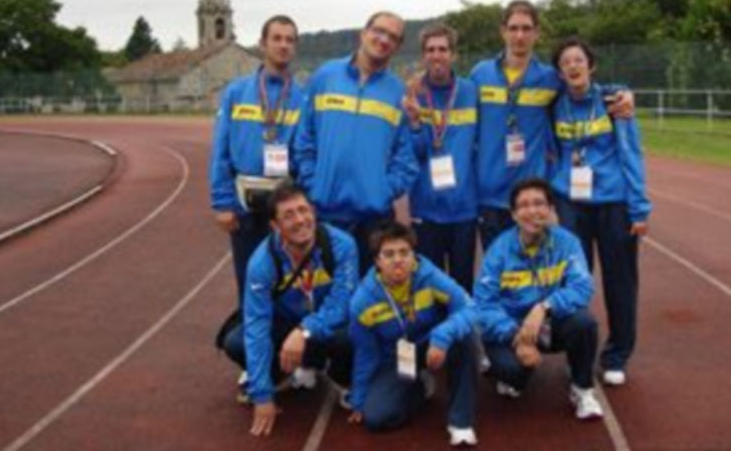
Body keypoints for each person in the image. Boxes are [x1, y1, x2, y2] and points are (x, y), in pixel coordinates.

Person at [471, 0, 634, 249]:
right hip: (490, 194)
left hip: (532, 198)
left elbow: (585, 88)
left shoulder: (549, 77)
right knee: (499, 275)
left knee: (538, 277)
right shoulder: (480, 74)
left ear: (537, 33)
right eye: (513, 28)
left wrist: (622, 91)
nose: (519, 35)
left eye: (526, 28)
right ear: (503, 31)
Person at [549, 37, 651, 386]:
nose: (573, 66)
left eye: (579, 60)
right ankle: (578, 353)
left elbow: (631, 153)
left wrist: (639, 208)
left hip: (613, 204)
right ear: (559, 72)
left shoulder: (613, 101)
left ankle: (617, 355)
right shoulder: (554, 106)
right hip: (571, 204)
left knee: (620, 281)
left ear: (590, 66)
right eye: (566, 62)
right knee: (574, 280)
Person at [223, 180, 359, 437]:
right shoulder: (262, 263)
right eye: (288, 215)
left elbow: (343, 303)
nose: (299, 220)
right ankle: (281, 375)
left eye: (303, 211)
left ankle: (339, 374)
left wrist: (305, 330)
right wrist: (262, 394)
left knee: (354, 330)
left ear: (314, 213)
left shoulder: (341, 245)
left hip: (324, 327)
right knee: (235, 342)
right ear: (275, 226)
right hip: (285, 327)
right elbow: (257, 326)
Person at [293, 11, 419, 273]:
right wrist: (314, 184)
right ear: (364, 33)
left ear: (396, 47)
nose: (384, 40)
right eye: (379, 31)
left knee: (371, 304)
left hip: (374, 220)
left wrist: (381, 191)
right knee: (326, 297)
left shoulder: (398, 92)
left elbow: (405, 160)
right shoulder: (325, 76)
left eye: (393, 37)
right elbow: (304, 138)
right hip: (326, 213)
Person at [474, 178, 603, 420]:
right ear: (513, 214)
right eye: (523, 205)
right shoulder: (499, 251)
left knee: (584, 323)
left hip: (547, 323)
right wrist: (516, 336)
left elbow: (583, 286)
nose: (532, 211)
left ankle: (582, 389)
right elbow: (483, 305)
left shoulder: (567, 243)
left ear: (551, 209)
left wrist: (545, 307)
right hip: (510, 328)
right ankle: (509, 372)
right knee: (513, 374)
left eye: (539, 203)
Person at [348, 221, 478, 446]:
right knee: (376, 417)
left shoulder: (429, 276)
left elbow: (469, 307)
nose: (398, 260)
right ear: (377, 261)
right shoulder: (362, 301)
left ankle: (461, 422)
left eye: (404, 252)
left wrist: (442, 336)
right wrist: (359, 398)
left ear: (413, 256)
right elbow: (366, 352)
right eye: (388, 254)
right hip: (396, 358)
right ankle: (418, 387)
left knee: (465, 337)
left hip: (431, 342)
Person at [209, 15, 304, 307]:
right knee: (251, 283)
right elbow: (221, 150)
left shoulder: (303, 97)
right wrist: (222, 203)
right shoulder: (237, 92)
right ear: (263, 44)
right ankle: (254, 350)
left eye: (289, 40)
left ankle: (286, 349)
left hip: (286, 206)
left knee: (290, 285)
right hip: (244, 206)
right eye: (277, 38)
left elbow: (305, 154)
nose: (283, 45)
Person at [402, 23, 478, 292]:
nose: (437, 55)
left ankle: (462, 334)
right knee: (428, 287)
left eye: (443, 49)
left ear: (453, 55)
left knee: (462, 285)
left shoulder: (471, 91)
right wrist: (414, 123)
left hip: (464, 208)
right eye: (431, 50)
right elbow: (414, 154)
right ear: (423, 55)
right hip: (426, 208)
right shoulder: (412, 95)